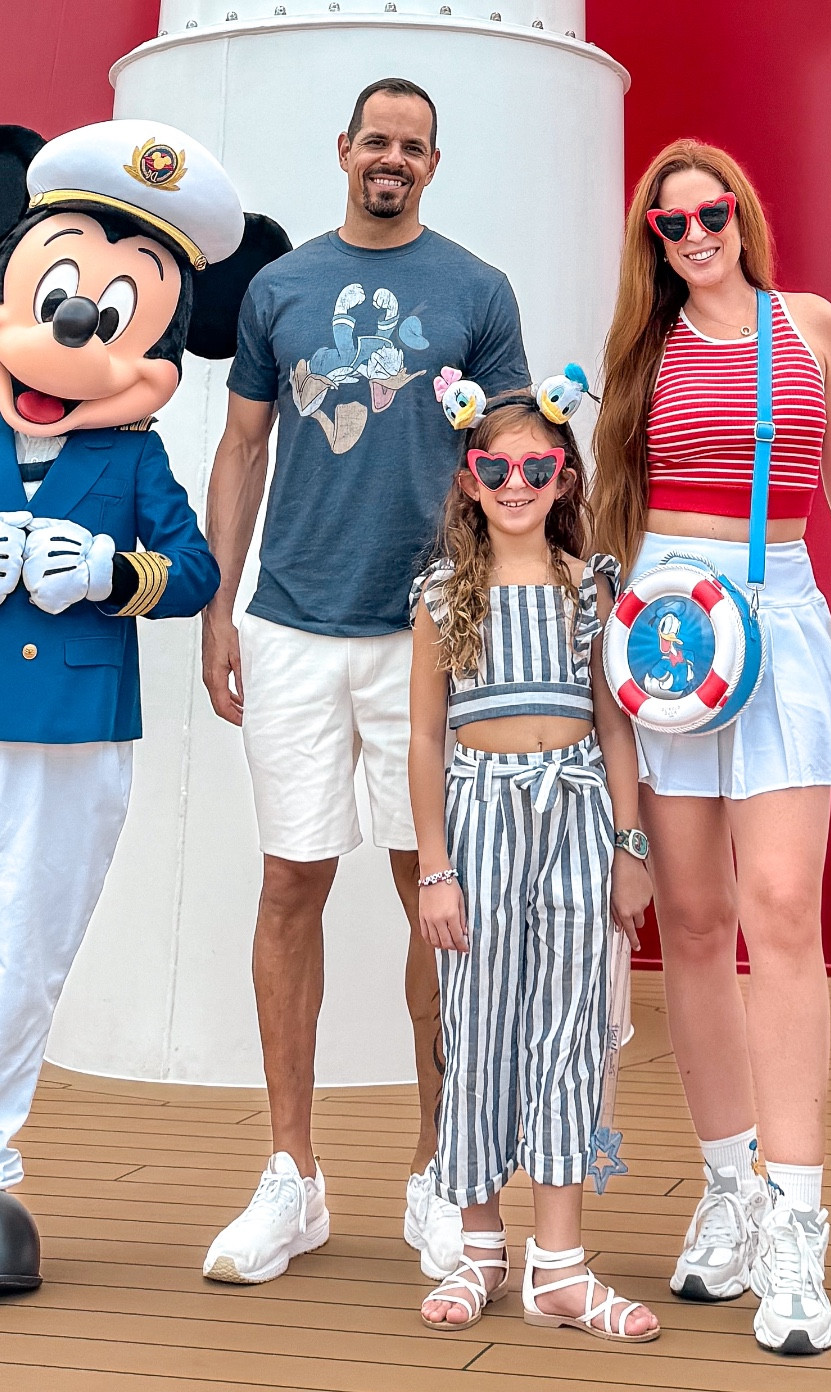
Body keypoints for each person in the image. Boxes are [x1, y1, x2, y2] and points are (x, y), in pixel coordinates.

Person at [200, 77, 529, 1286]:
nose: (392, 158)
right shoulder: (279, 290)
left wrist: (510, 612)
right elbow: (243, 444)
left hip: (428, 631)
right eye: (375, 140)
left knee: (428, 888)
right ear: (344, 150)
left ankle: (440, 1175)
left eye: (413, 146)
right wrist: (218, 605)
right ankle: (292, 1178)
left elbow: (512, 459)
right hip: (290, 624)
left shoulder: (479, 291)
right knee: (291, 882)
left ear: (434, 164)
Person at [592, 140, 831, 1355]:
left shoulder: (808, 325)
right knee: (693, 919)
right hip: (669, 626)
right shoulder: (642, 348)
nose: (696, 235)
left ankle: (796, 1222)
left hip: (780, 614)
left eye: (711, 212)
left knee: (780, 907)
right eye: (670, 225)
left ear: (742, 214)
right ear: (653, 243)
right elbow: (609, 510)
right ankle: (728, 1188)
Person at [0, 116, 287, 1288]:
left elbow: (198, 570)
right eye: (57, 293)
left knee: (29, 943)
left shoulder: (130, 461)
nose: (76, 328)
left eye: (117, 314)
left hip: (74, 729)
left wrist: (111, 576)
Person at [408, 371, 659, 1341]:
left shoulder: (590, 589)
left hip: (577, 815)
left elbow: (616, 725)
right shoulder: (442, 596)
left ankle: (560, 1264)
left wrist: (628, 845)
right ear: (468, 481)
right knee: (475, 1026)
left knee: (569, 1025)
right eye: (496, 469)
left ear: (565, 479)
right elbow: (423, 738)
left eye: (537, 468)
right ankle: (479, 1246)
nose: (516, 484)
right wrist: (435, 868)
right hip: (477, 822)